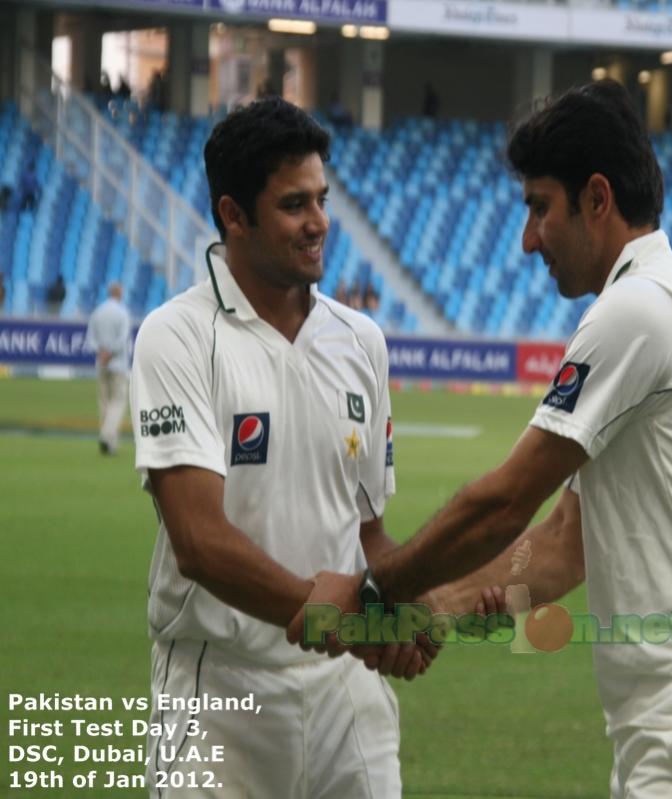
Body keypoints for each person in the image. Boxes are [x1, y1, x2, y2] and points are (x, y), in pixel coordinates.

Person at [289, 81, 672, 798]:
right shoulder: (657, 295)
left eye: (540, 207)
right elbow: (569, 538)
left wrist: (377, 591)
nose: (527, 239)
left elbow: (505, 499)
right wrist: (437, 609)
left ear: (596, 198)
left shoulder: (638, 309)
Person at [128, 96, 473, 798]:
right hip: (217, 696)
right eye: (292, 204)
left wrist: (402, 607)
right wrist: (334, 613)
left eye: (320, 198)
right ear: (233, 215)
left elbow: (367, 529)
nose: (318, 223)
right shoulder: (177, 336)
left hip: (347, 694)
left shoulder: (361, 342)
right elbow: (197, 538)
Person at [85, 282, 130, 454]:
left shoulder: (98, 312)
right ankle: (107, 435)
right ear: (120, 293)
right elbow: (123, 338)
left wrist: (101, 352)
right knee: (118, 402)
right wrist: (110, 352)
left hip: (101, 363)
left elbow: (91, 338)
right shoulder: (122, 312)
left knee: (104, 402)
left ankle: (110, 443)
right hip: (118, 363)